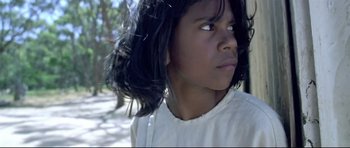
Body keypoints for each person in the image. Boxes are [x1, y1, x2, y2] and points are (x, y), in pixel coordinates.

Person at [105, 0, 287, 146]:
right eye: (209, 27)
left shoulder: (257, 126)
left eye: (230, 27)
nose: (231, 41)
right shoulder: (144, 125)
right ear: (163, 44)